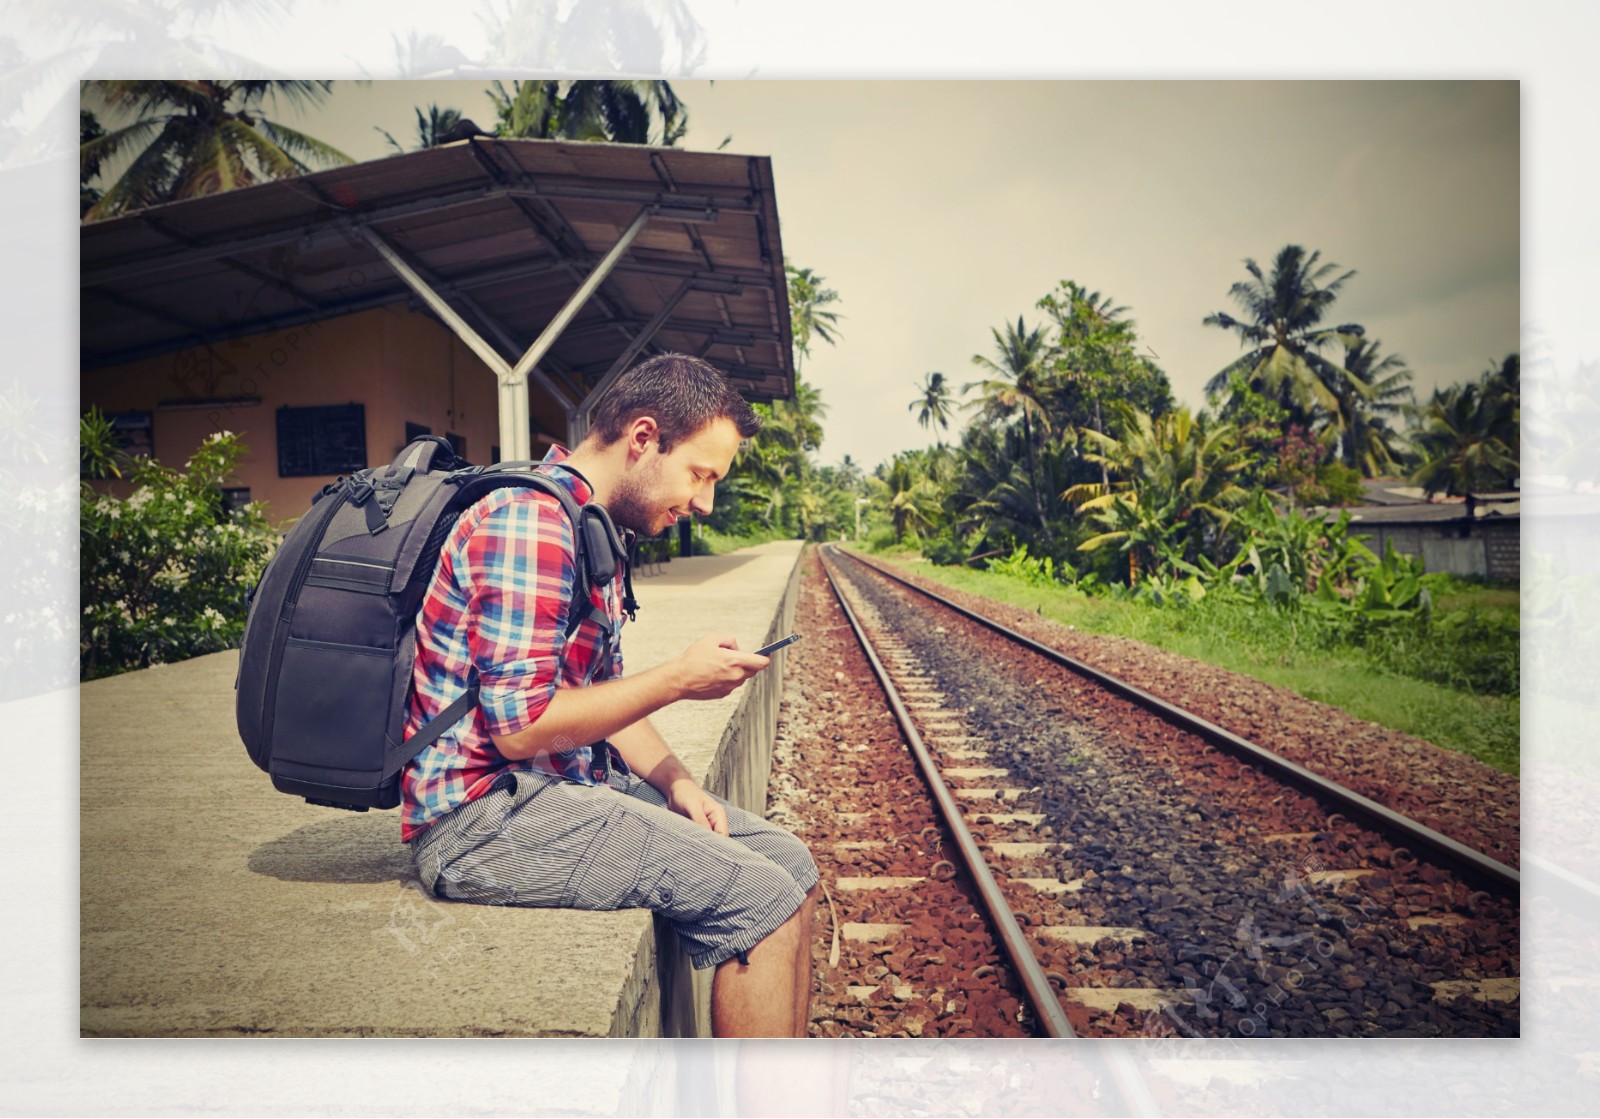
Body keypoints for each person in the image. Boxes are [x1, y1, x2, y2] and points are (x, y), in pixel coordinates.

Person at [402, 352, 819, 1038]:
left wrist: (680, 783)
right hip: (477, 820)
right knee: (759, 898)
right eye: (701, 474)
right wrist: (679, 679)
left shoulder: (586, 523)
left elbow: (597, 696)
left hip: (551, 790)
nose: (705, 503)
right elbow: (520, 729)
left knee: (791, 866)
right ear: (644, 438)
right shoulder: (532, 523)